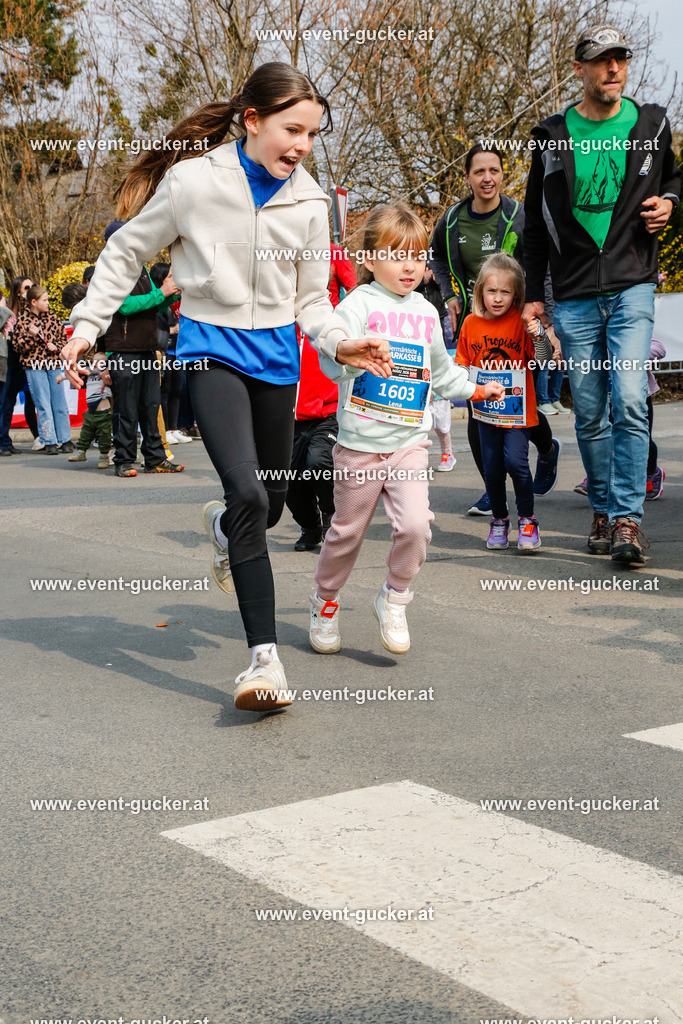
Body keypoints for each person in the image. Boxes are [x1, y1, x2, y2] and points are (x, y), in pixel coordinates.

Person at [61, 62, 392, 712]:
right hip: (210, 348)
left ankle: (224, 527)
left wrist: (340, 342)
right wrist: (85, 327)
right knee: (245, 492)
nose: (300, 145)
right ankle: (262, 664)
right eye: (290, 129)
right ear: (252, 120)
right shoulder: (192, 183)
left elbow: (310, 303)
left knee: (265, 505)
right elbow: (126, 251)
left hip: (276, 357)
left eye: (311, 134)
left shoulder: (308, 201)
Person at [308, 203, 503, 655]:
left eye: (417, 255)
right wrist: (345, 354)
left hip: (409, 445)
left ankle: (394, 598)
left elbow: (442, 371)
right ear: (370, 259)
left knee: (417, 527)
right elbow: (330, 358)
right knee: (346, 533)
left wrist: (475, 389)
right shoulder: (356, 304)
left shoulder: (426, 313)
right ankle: (325, 601)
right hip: (359, 445)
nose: (410, 265)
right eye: (397, 255)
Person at [523, 24, 680, 564]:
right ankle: (605, 507)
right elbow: (537, 226)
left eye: (620, 59)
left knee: (631, 397)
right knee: (589, 411)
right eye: (600, 60)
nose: (613, 68)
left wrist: (671, 203)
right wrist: (531, 295)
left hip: (633, 283)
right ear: (579, 69)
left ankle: (628, 521)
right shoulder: (550, 135)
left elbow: (675, 179)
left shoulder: (653, 122)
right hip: (571, 295)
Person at [430, 143, 560, 514]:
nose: (487, 178)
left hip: (518, 321)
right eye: (479, 171)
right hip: (475, 321)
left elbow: (543, 265)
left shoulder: (520, 215)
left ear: (502, 175)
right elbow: (437, 257)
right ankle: (492, 488)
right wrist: (450, 295)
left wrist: (545, 320)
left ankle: (548, 449)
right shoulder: (453, 220)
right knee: (477, 402)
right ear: (468, 177)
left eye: (494, 171)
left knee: (519, 404)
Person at [456, 253, 552, 551]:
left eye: (505, 292)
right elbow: (461, 363)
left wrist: (538, 335)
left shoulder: (521, 322)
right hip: (485, 412)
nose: (498, 298)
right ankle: (499, 520)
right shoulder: (470, 323)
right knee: (493, 469)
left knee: (516, 463)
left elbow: (544, 359)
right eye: (491, 291)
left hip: (518, 412)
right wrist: (457, 382)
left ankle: (527, 520)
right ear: (480, 291)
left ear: (517, 294)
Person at [11, 285, 73, 455]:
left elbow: (63, 338)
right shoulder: (23, 320)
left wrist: (57, 346)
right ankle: (49, 440)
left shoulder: (53, 318)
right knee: (43, 404)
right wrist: (31, 336)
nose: (47, 303)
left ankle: (65, 439)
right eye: (44, 300)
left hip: (53, 364)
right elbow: (17, 346)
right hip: (34, 366)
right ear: (33, 302)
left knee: (59, 403)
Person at [416, 267, 455, 471]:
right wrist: (420, 280)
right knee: (415, 419)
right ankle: (414, 459)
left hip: (435, 317)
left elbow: (450, 282)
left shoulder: (438, 250)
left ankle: (447, 453)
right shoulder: (409, 256)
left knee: (440, 419)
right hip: (413, 325)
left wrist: (437, 276)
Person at [0, 276, 39, 454]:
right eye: (26, 287)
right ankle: (2, 442)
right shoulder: (7, 311)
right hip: (6, 359)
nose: (30, 289)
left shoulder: (29, 314)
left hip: (20, 361)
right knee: (4, 400)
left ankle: (5, 440)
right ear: (18, 291)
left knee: (10, 401)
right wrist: (3, 309)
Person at [67, 352, 112, 468]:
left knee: (104, 437)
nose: (96, 364)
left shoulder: (106, 374)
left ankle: (104, 457)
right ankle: (81, 451)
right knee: (85, 433)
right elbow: (77, 373)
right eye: (94, 362)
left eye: (100, 362)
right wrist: (62, 377)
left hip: (104, 413)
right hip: (91, 411)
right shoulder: (89, 373)